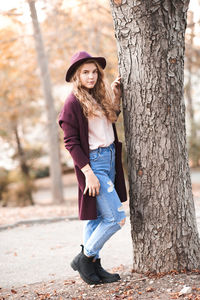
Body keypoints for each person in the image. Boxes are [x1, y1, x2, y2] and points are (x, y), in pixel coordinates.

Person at [58, 51, 127, 285]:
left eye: (94, 71)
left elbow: (111, 119)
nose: (91, 76)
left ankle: (93, 269)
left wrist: (116, 97)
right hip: (93, 163)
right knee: (116, 218)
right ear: (77, 75)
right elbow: (71, 142)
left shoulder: (98, 95)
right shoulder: (72, 103)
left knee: (95, 218)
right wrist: (88, 173)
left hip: (109, 158)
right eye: (85, 72)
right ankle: (84, 258)